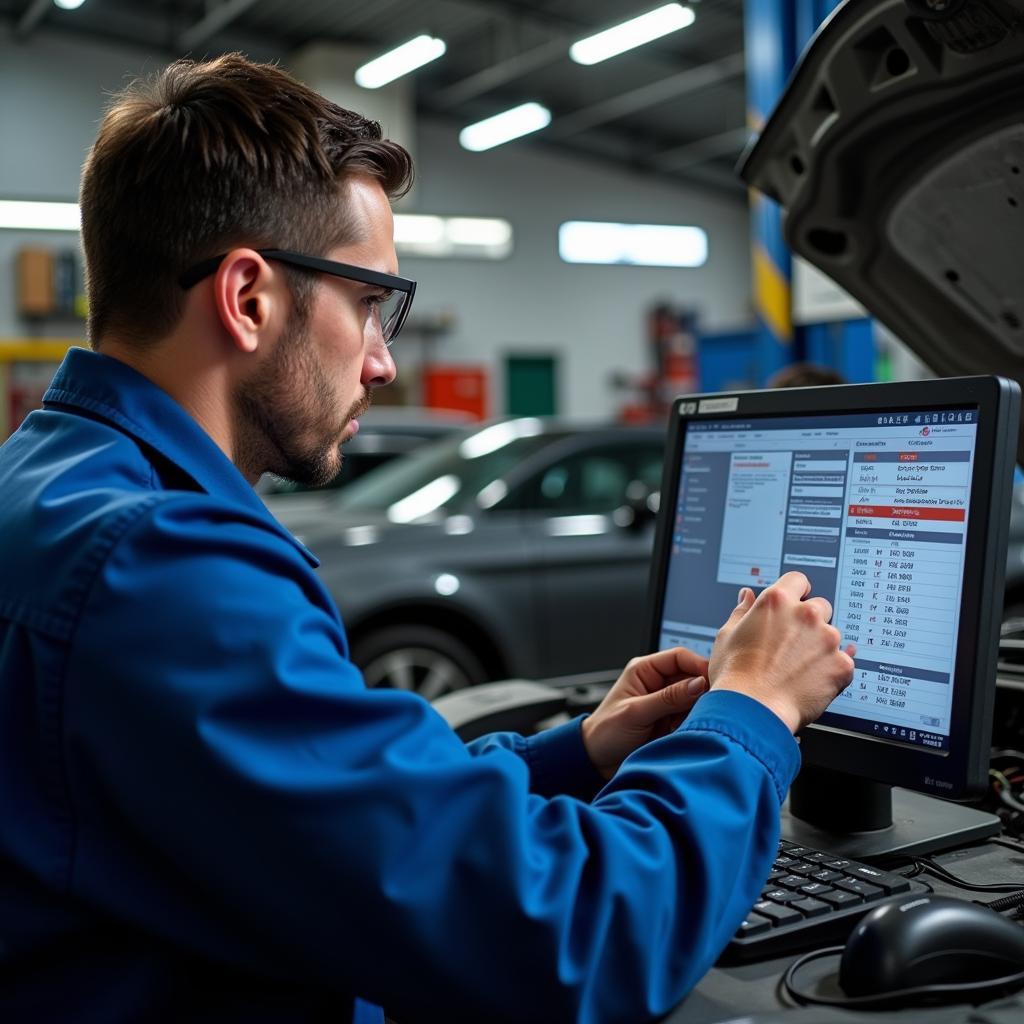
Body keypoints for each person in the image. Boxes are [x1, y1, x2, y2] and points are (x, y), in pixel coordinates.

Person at [0, 54, 855, 1023]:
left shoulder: (53, 485)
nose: (383, 361)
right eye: (370, 303)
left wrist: (576, 753)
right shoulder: (161, 571)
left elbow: (334, 812)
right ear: (247, 299)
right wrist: (748, 711)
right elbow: (572, 938)